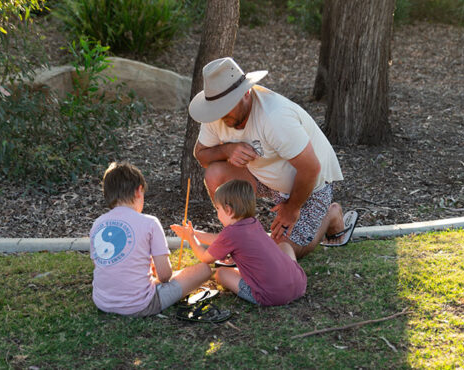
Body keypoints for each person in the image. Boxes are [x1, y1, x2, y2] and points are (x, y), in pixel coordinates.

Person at [188, 57, 358, 259]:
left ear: (246, 93)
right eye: (217, 108)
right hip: (262, 176)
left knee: (281, 252)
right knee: (215, 173)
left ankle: (330, 215)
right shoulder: (216, 114)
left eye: (227, 106)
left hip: (309, 185)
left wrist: (292, 208)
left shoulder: (275, 116)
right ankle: (240, 236)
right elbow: (201, 154)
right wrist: (227, 150)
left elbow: (311, 168)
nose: (221, 116)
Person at [89, 162, 212, 317]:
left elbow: (102, 263)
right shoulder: (149, 222)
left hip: (102, 302)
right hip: (141, 304)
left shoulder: (97, 224)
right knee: (204, 269)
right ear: (139, 191)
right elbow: (165, 276)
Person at [171, 179, 306, 306]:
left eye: (218, 209)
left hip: (271, 296)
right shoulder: (252, 222)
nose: (217, 213)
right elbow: (220, 240)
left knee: (221, 273)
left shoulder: (231, 233)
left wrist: (191, 239)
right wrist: (194, 233)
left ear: (228, 210)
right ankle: (288, 276)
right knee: (285, 246)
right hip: (299, 284)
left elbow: (205, 257)